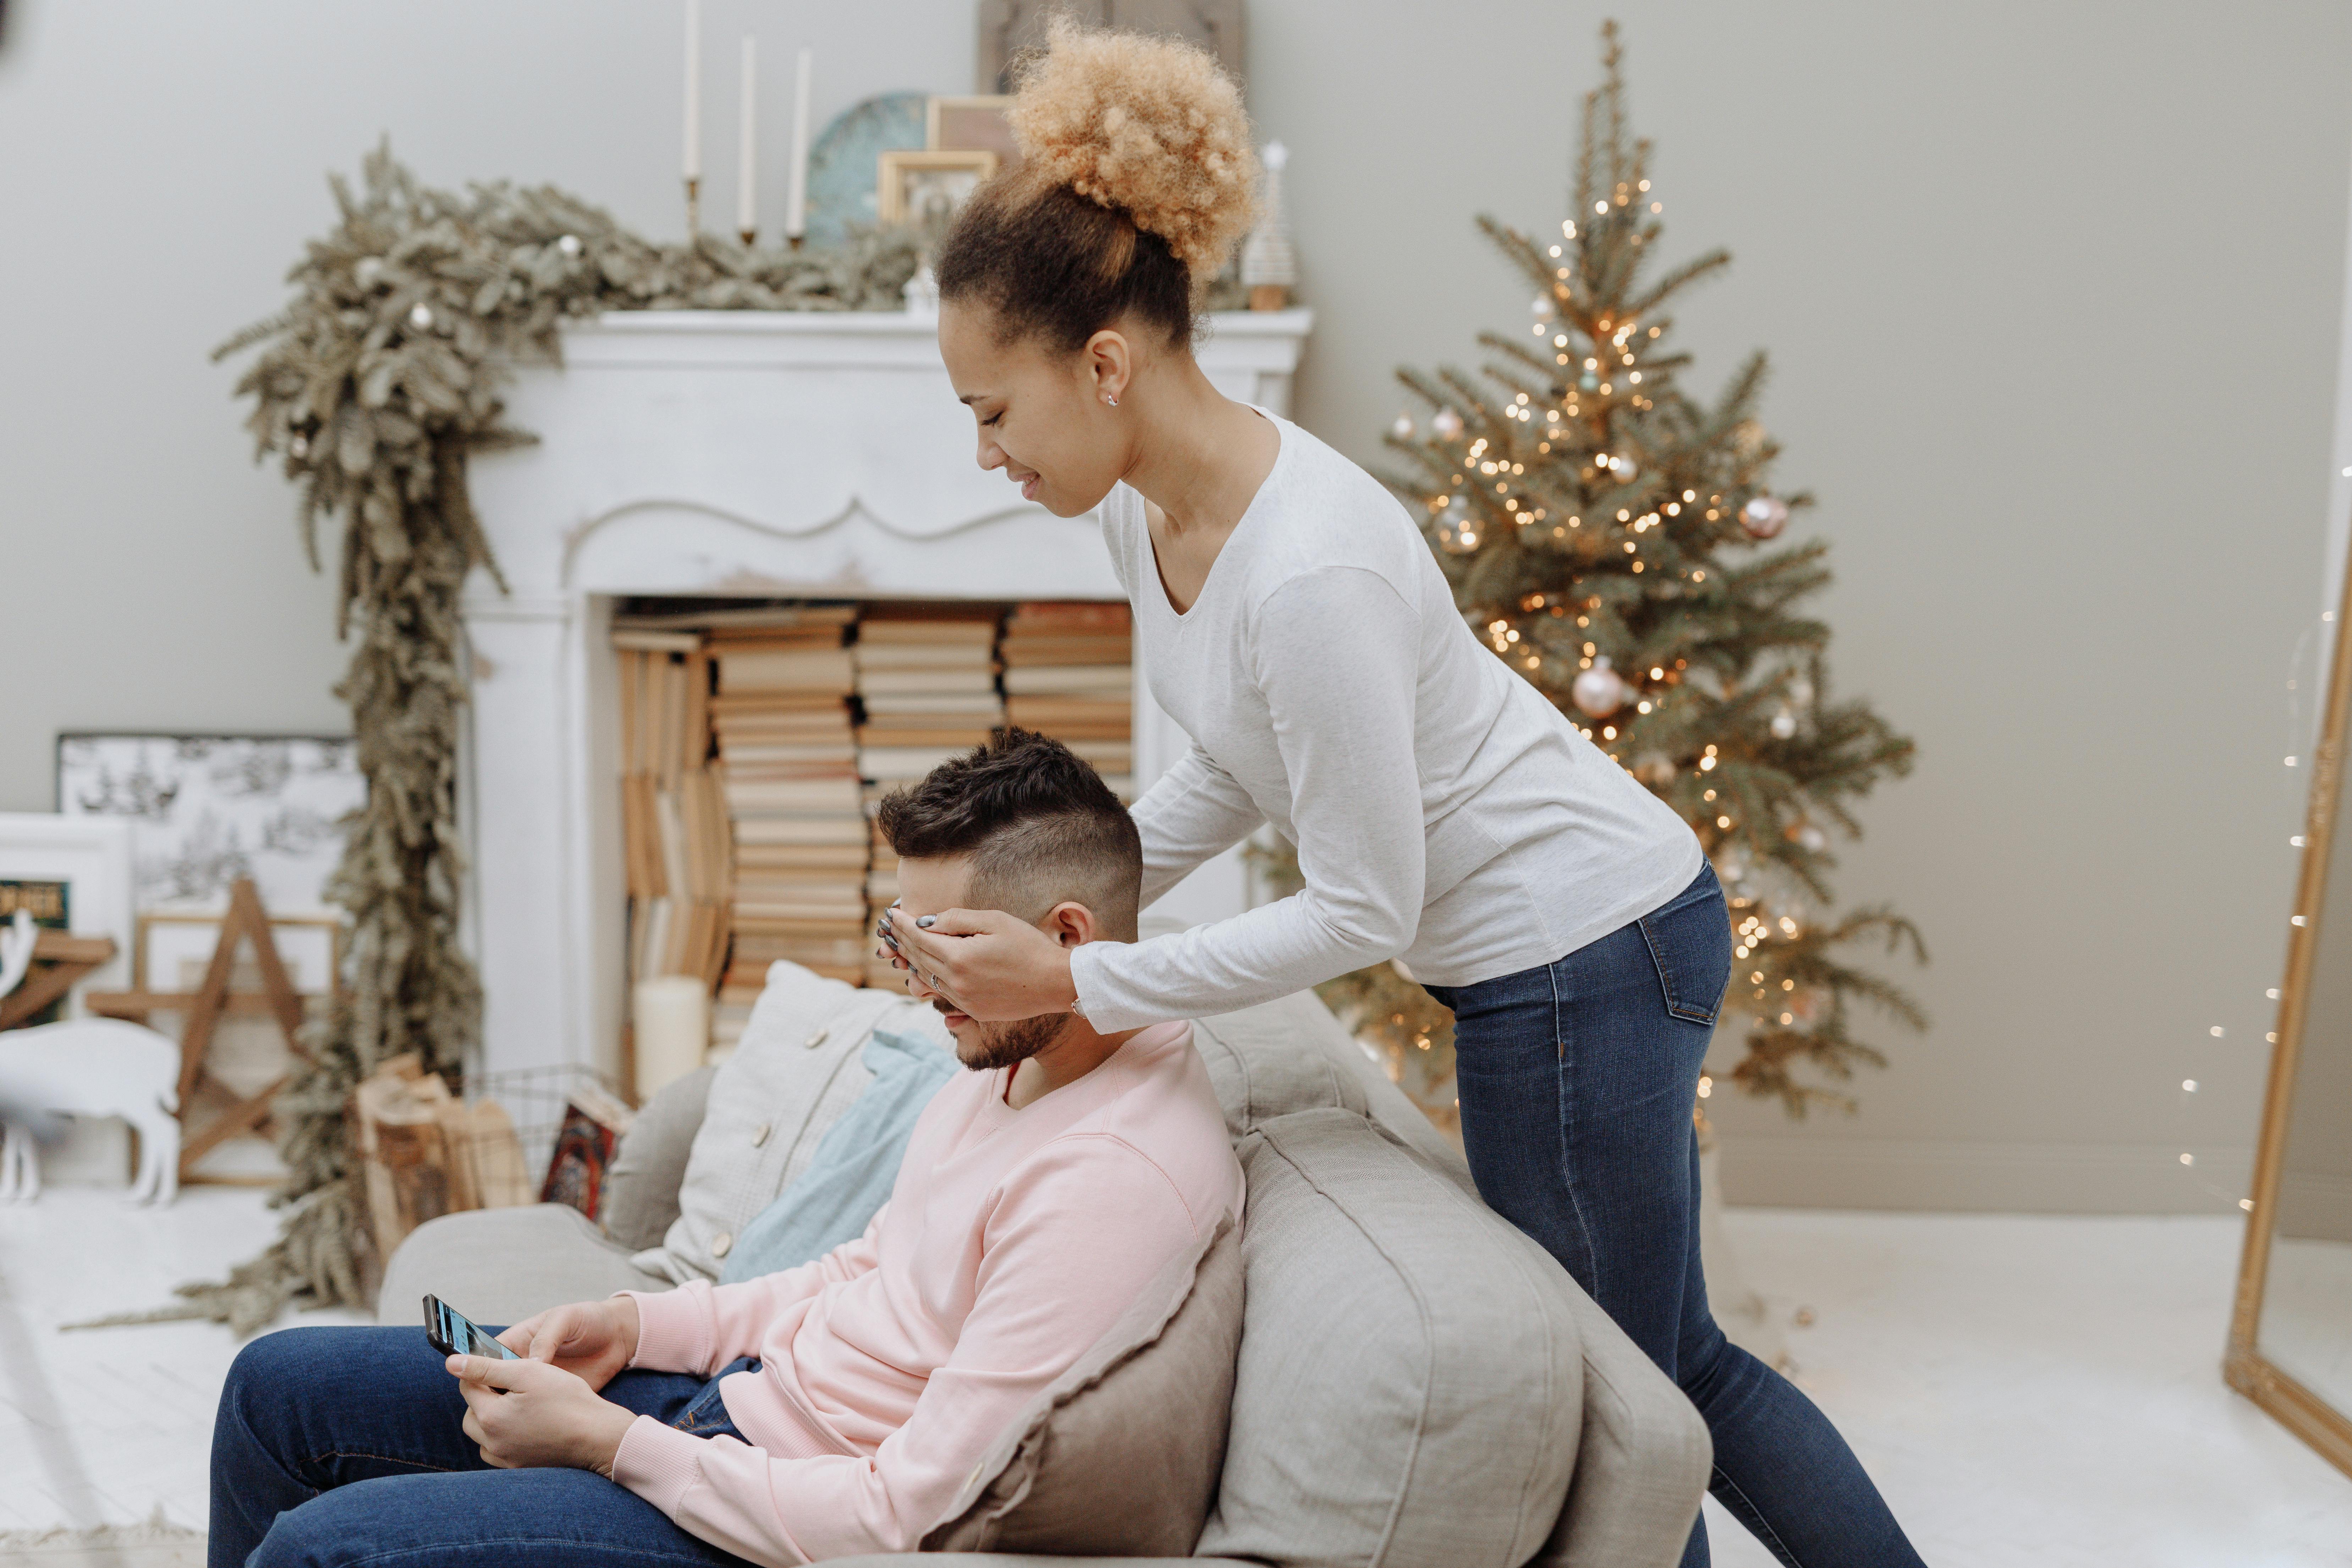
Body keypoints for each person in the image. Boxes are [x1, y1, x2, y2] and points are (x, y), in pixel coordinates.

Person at [881, 20, 1925, 1567]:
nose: (983, 453)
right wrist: (1041, 910)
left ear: (1103, 366)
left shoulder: (1309, 570)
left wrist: (1085, 968)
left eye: (990, 410)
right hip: (1558, 950)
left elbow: (1362, 904)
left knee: (1637, 1392)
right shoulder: (1145, 516)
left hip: (1585, 950)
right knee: (1653, 1376)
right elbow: (1240, 762)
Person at [208, 731, 1242, 1568]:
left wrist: (605, 1443)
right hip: (727, 1412)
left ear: (1067, 937)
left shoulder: (1113, 1177)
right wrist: (636, 1322)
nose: (916, 983)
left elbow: (901, 1515)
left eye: (943, 948)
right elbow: (865, 1270)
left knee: (319, 1551)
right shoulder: (1017, 1055)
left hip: (767, 1520)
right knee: (276, 1389)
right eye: (902, 939)